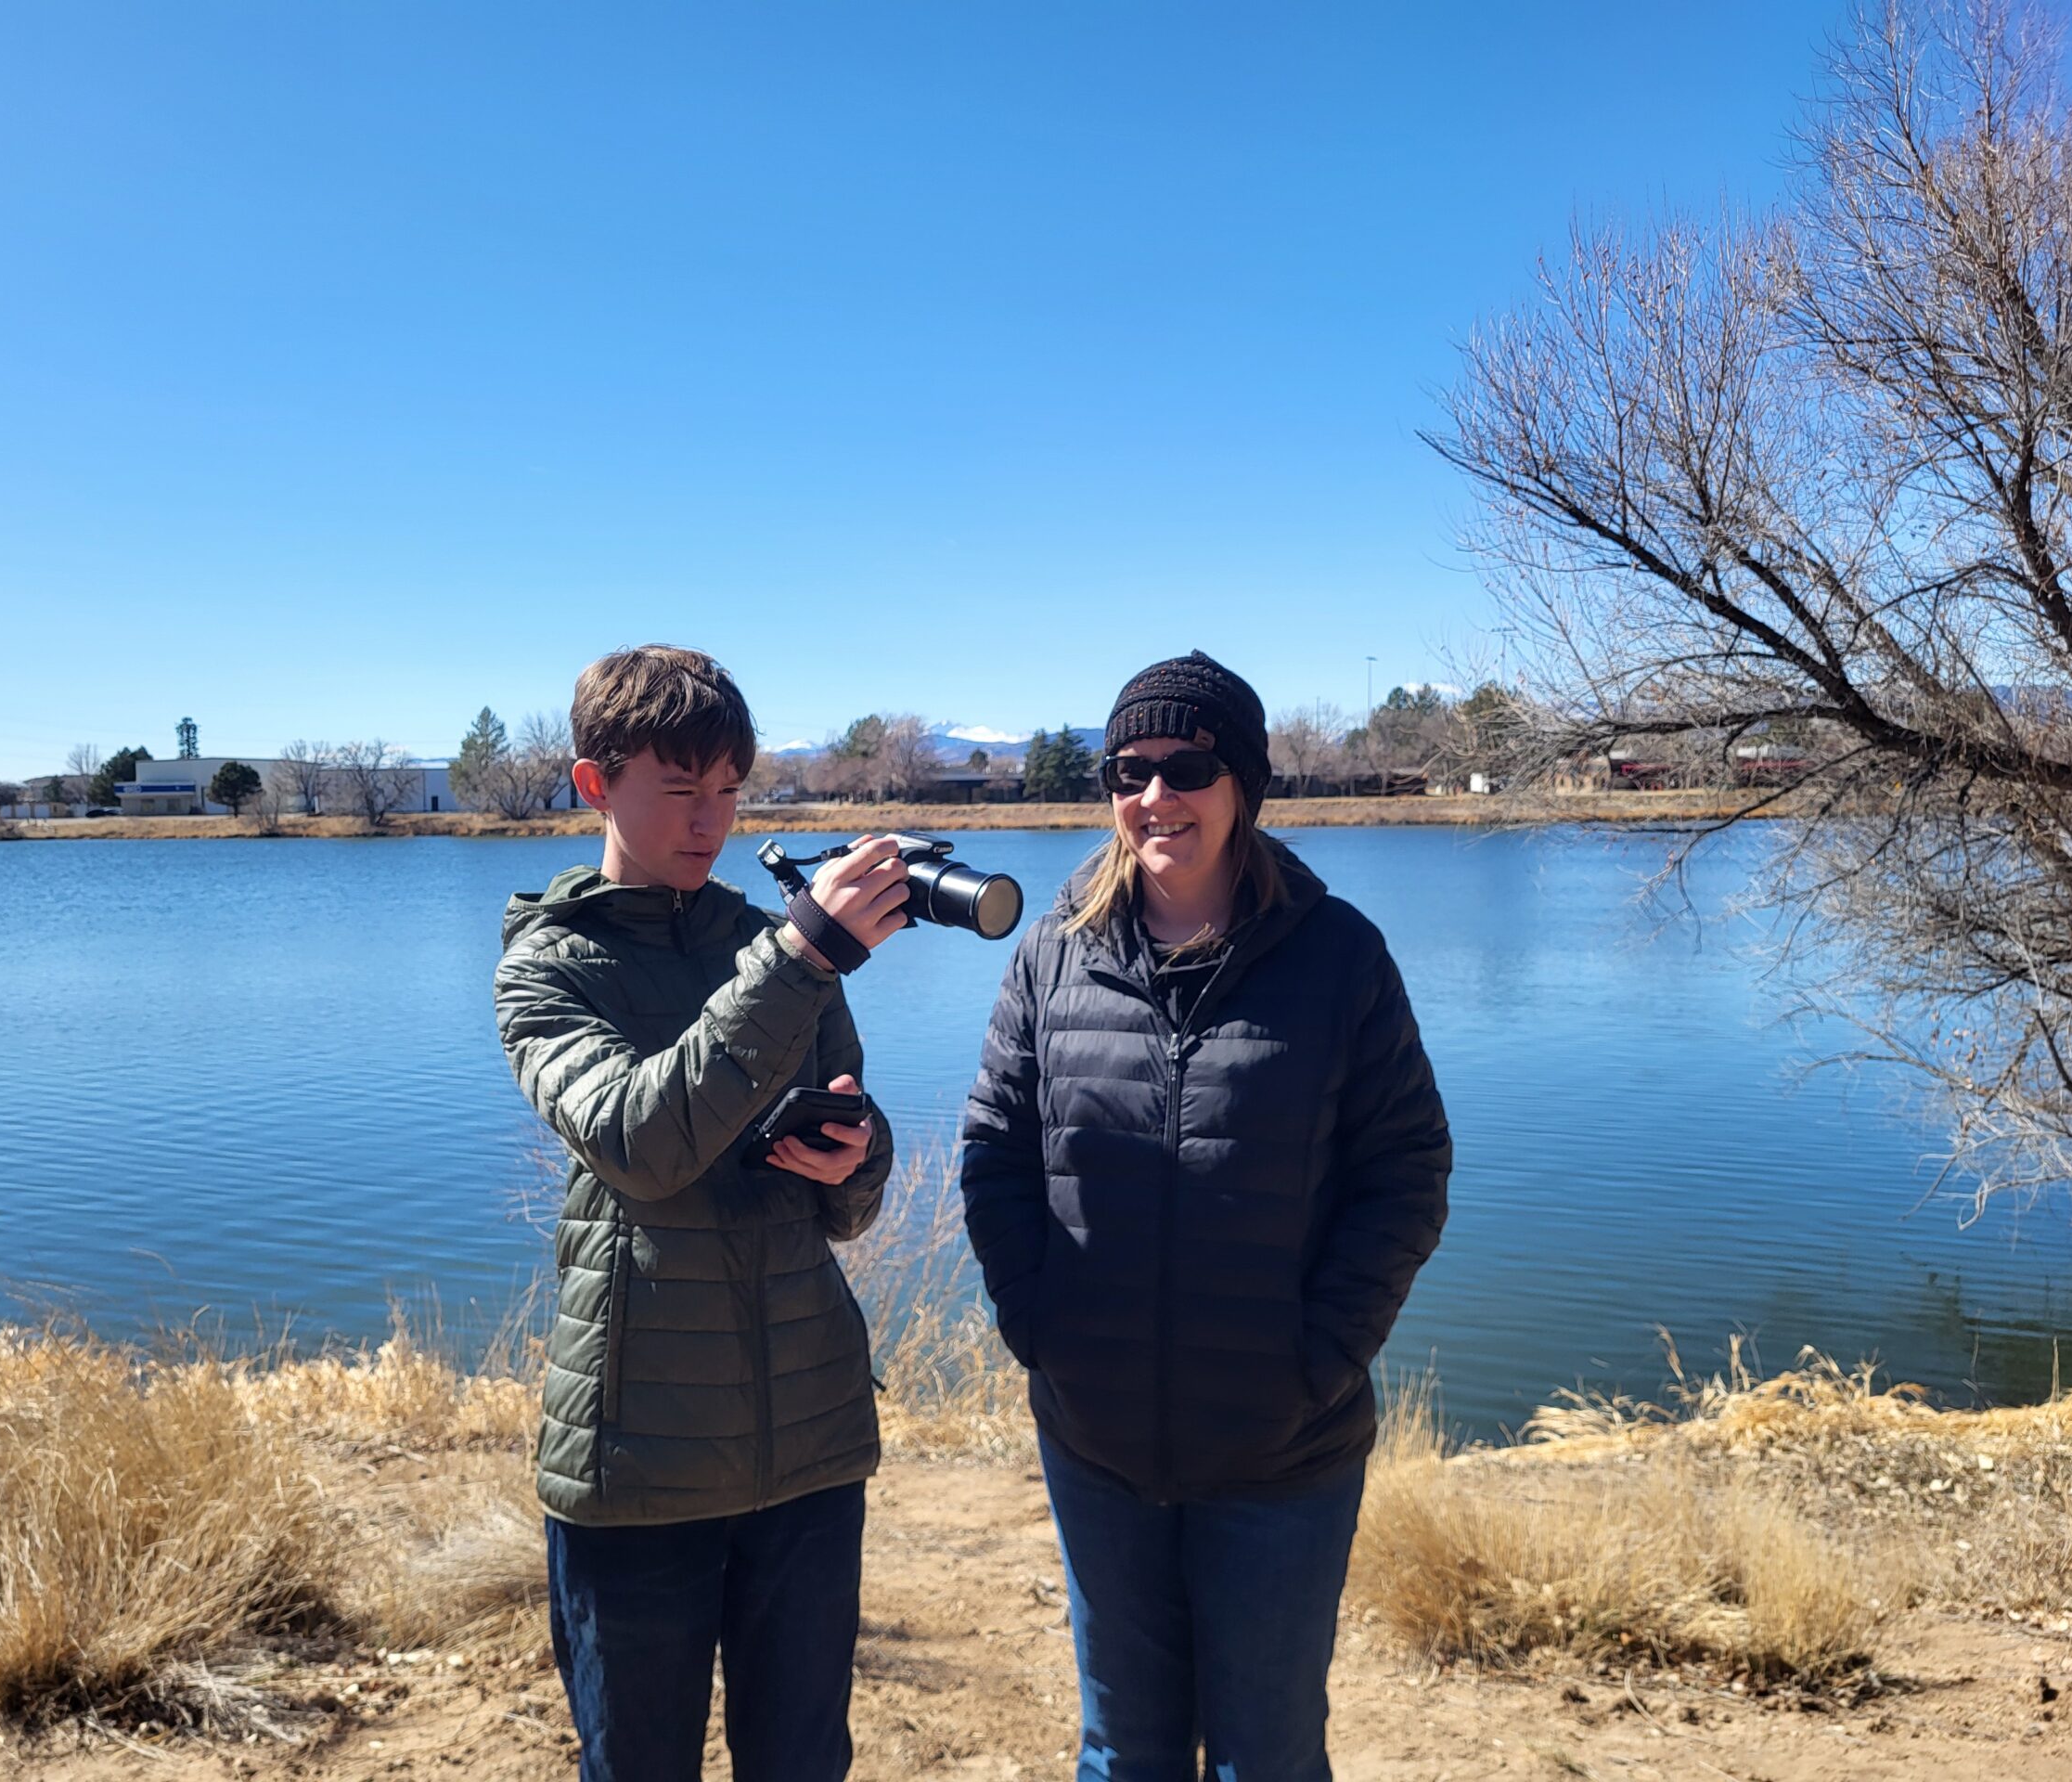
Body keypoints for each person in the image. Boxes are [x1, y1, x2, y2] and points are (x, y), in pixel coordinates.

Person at [960, 650, 1451, 1781]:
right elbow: (994, 1147)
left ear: (1243, 785)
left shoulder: (1338, 956)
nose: (1154, 796)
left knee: (1263, 1757)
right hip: (1097, 1441)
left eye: (1187, 768)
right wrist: (1038, 1326)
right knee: (1121, 1751)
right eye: (1127, 770)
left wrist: (1318, 1358)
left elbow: (1406, 1168)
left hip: (1282, 1451)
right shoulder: (1053, 953)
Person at [494, 643, 915, 1782]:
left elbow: (851, 1203)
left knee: (803, 1762)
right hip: (638, 1465)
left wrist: (853, 1157)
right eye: (680, 788)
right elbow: (641, 1144)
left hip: (809, 1446)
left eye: (728, 790)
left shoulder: (772, 946)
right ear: (595, 785)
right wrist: (802, 954)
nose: (710, 820)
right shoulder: (548, 966)